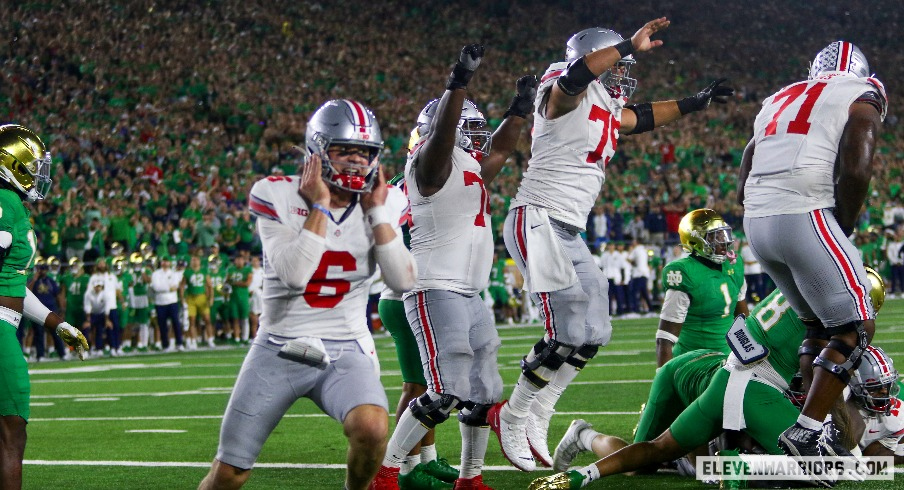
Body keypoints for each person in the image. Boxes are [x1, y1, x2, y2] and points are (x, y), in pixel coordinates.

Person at [492, 18, 734, 471]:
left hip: (569, 230)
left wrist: (693, 103)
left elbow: (639, 118)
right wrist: (628, 45)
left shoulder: (602, 104)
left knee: (595, 331)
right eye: (618, 64)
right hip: (538, 218)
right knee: (565, 331)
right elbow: (574, 78)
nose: (624, 73)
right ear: (598, 60)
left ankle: (543, 410)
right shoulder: (560, 91)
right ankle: (514, 413)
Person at [199, 99, 416, 490]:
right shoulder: (276, 193)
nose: (354, 161)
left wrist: (378, 214)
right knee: (231, 473)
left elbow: (402, 281)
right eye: (343, 150)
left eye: (364, 152)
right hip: (280, 346)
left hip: (346, 347)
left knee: (372, 428)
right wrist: (320, 204)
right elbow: (297, 275)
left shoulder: (389, 200)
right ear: (316, 151)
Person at [529, 267, 886, 490]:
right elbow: (813, 367)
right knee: (833, 469)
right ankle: (732, 467)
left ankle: (580, 477)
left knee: (658, 449)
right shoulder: (835, 311)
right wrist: (837, 430)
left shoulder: (797, 284)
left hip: (724, 378)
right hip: (754, 390)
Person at [371, 45, 536, 490]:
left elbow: (500, 149)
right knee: (446, 389)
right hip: (434, 287)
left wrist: (518, 110)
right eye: (470, 129)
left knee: (485, 390)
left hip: (469, 292)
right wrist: (458, 83)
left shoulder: (469, 166)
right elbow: (443, 135)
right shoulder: (429, 164)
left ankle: (470, 478)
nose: (480, 138)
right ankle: (386, 472)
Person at [737, 40, 888, 458]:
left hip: (757, 220)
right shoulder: (861, 92)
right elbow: (857, 168)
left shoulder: (779, 97)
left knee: (817, 328)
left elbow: (747, 165)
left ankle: (810, 423)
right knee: (856, 326)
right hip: (804, 211)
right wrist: (845, 224)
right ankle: (806, 433)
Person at [0, 124, 89, 489]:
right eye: (33, 165)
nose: (39, 174)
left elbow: (12, 282)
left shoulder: (10, 204)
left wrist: (55, 324)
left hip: (7, 322)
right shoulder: (4, 203)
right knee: (10, 434)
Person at [377, 173, 459, 490]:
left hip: (415, 292)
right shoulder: (414, 183)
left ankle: (427, 458)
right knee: (416, 388)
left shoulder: (410, 180)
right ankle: (406, 467)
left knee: (430, 387)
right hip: (406, 296)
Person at [656, 209, 747, 367]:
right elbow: (665, 337)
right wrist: (663, 378)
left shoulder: (734, 264)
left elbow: (743, 320)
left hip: (728, 360)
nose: (723, 241)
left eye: (723, 234)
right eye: (715, 237)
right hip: (692, 363)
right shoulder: (685, 272)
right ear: (694, 241)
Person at [845, 345, 904, 463]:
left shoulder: (897, 413)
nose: (884, 391)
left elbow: (869, 464)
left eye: (887, 385)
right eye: (875, 387)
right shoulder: (840, 397)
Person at [150, 256, 184, 352]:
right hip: (160, 302)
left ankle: (179, 343)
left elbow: (175, 286)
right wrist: (168, 288)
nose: (165, 263)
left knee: (176, 322)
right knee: (162, 325)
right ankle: (165, 345)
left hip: (172, 301)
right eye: (163, 261)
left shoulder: (173, 273)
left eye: (167, 261)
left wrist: (164, 288)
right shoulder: (156, 274)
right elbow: (156, 287)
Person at [181, 255, 213, 349]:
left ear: (199, 261)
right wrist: (182, 298)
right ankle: (193, 340)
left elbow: (209, 285)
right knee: (192, 321)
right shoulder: (187, 272)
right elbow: (182, 286)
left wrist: (210, 298)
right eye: (193, 260)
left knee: (207, 319)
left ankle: (210, 339)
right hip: (191, 297)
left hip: (202, 296)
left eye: (196, 260)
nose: (194, 262)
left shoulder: (204, 271)